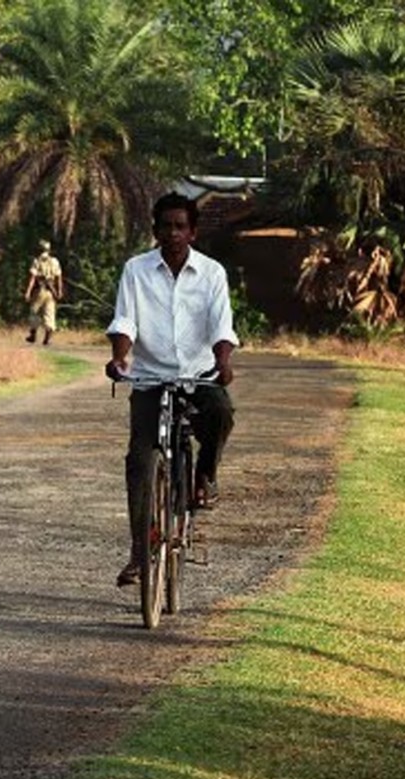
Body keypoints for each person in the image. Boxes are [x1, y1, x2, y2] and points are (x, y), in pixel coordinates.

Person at [105, 192, 237, 586]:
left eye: (181, 226)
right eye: (166, 226)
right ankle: (140, 551)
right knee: (141, 461)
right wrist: (120, 358)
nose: (174, 233)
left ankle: (204, 477)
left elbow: (221, 325)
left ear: (192, 232)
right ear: (155, 231)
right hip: (149, 377)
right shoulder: (136, 270)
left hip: (198, 374)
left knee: (221, 413)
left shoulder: (212, 273)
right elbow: (125, 321)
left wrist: (223, 362)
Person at [24, 239, 63, 345]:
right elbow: (59, 277)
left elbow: (32, 278)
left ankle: (33, 335)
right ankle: (47, 338)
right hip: (51, 292)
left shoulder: (37, 261)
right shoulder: (55, 261)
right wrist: (59, 291)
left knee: (34, 312)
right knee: (49, 314)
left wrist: (28, 292)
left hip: (39, 291)